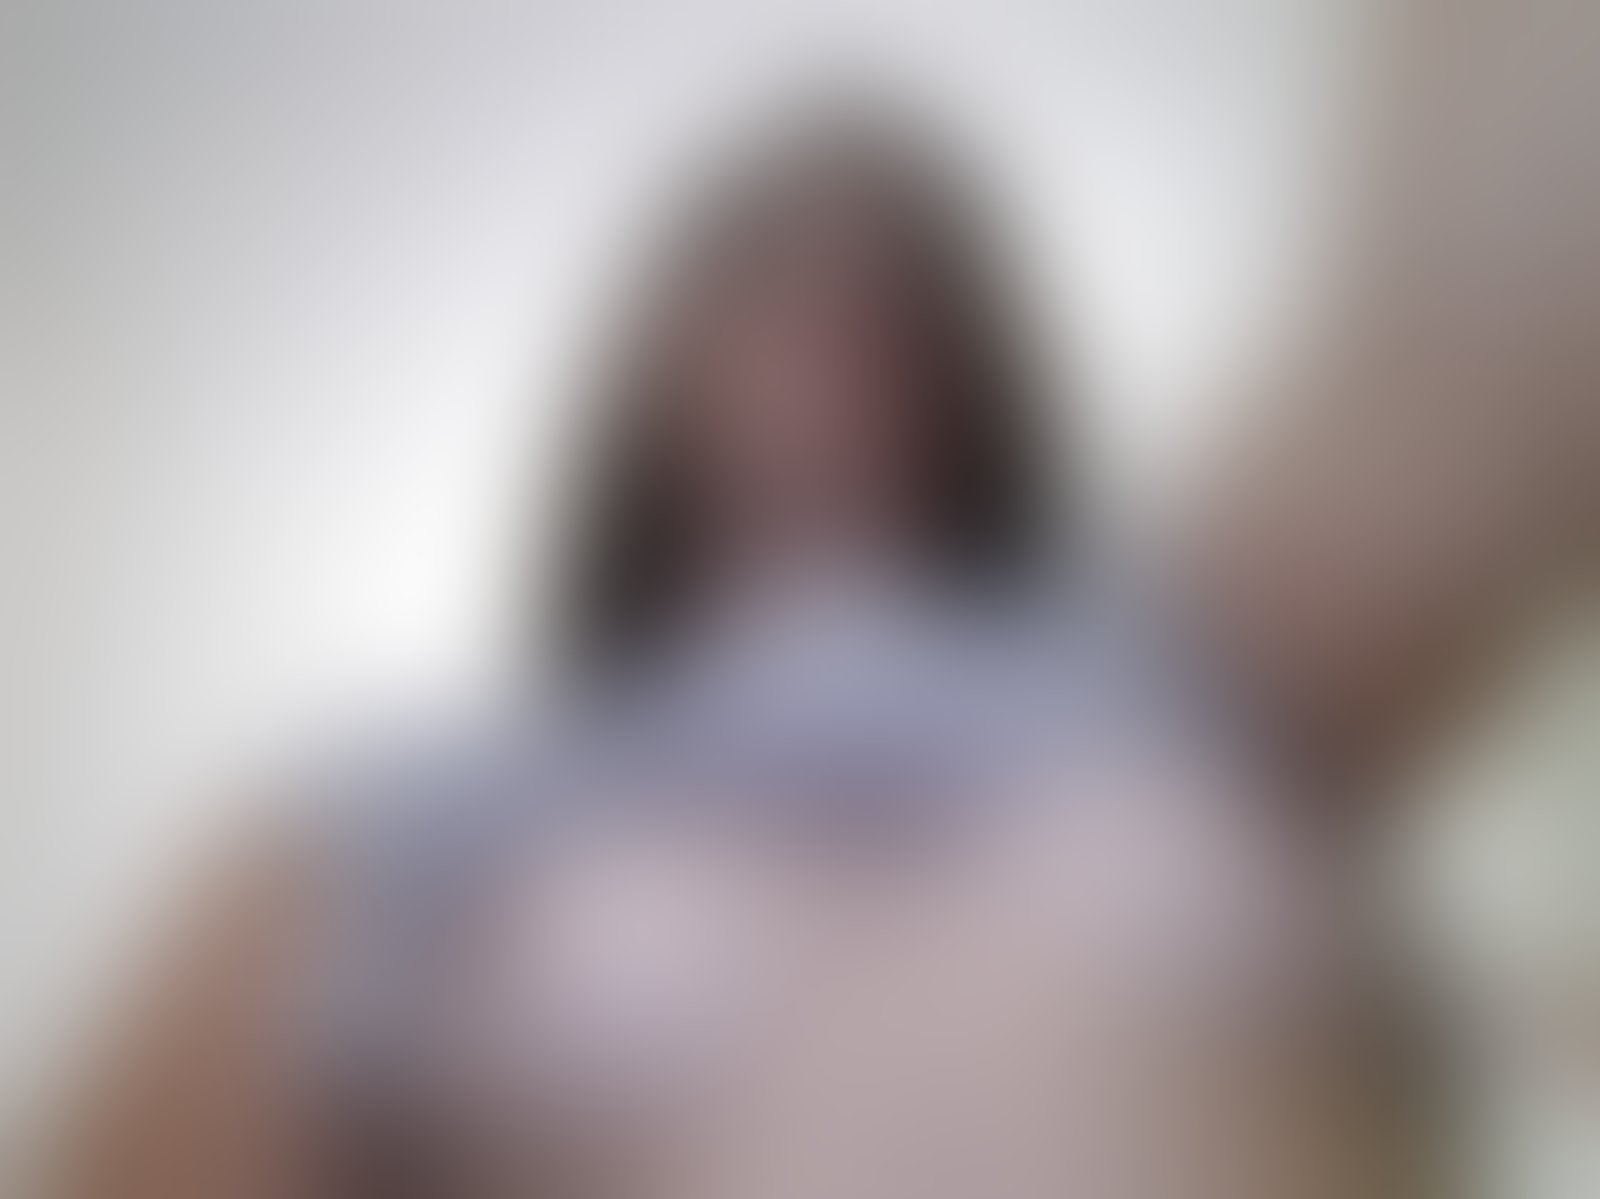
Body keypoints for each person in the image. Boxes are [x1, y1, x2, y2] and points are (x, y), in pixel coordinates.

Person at [60, 90, 1585, 1198]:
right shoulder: (403, 803)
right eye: (771, 297)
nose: (832, 350)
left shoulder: (1210, 667)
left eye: (890, 308)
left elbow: (1498, 292)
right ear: (655, 374)